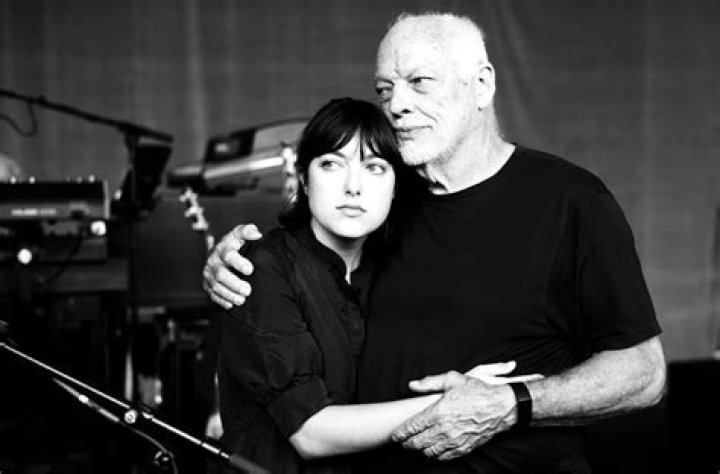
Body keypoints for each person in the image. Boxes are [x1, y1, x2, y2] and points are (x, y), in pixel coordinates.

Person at [203, 12, 666, 473]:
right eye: (385, 89)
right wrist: (229, 259)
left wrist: (512, 402)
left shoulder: (570, 200)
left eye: (419, 82)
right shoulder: (382, 200)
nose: (397, 105)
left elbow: (644, 374)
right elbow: (299, 264)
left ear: (482, 86)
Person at [210, 97, 535, 474]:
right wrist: (458, 401)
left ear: (395, 186)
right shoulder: (263, 267)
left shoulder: (393, 271)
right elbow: (310, 433)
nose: (353, 187)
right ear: (304, 178)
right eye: (331, 164)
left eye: (375, 168)